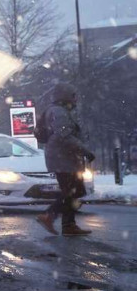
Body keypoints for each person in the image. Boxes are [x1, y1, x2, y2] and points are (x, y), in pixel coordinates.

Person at [36, 81, 95, 236]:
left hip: (63, 158)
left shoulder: (57, 111)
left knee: (73, 191)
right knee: (72, 191)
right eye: (73, 96)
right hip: (63, 159)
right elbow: (65, 136)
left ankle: (67, 225)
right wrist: (85, 151)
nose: (75, 99)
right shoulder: (59, 112)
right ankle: (51, 217)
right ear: (66, 96)